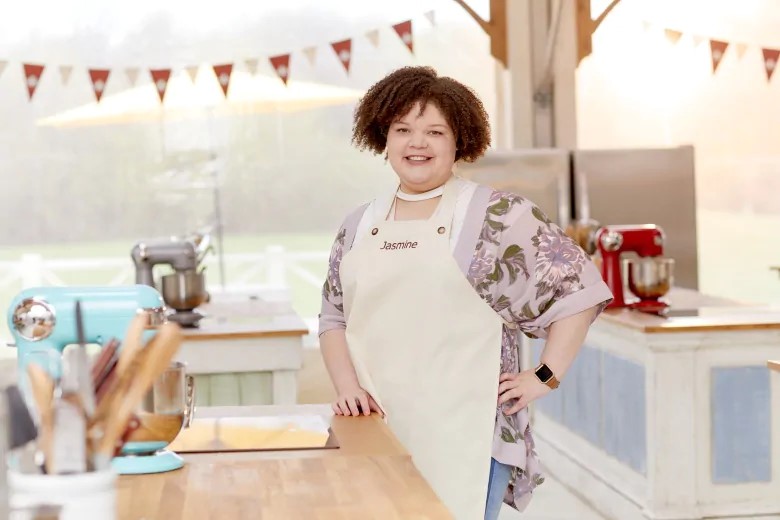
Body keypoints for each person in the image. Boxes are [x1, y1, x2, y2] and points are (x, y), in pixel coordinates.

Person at [318, 66, 613, 520]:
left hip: (468, 431)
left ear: (460, 141)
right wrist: (347, 387)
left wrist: (545, 375)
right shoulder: (359, 224)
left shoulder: (496, 216)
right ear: (384, 137)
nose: (417, 143)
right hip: (374, 429)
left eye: (435, 131)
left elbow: (579, 290)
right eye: (403, 130)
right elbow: (334, 317)